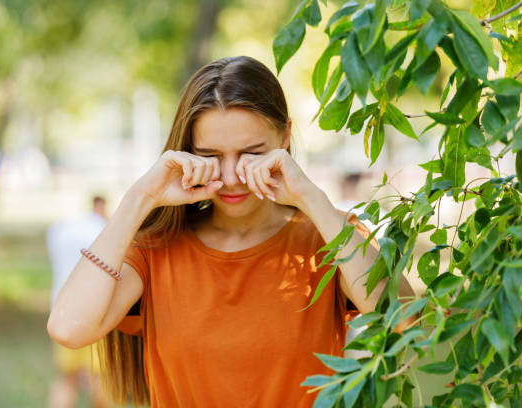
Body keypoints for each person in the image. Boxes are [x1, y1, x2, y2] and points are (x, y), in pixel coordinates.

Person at [47, 56, 415, 407]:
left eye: (251, 153)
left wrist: (310, 197)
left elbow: (405, 318)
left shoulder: (329, 237)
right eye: (210, 155)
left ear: (285, 137)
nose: (230, 177)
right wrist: (141, 197)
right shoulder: (154, 250)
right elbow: (69, 327)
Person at [46, 196, 110, 408]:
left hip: (61, 311)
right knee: (101, 378)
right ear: (101, 206)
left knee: (67, 377)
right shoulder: (103, 230)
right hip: (95, 312)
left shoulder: (61, 230)